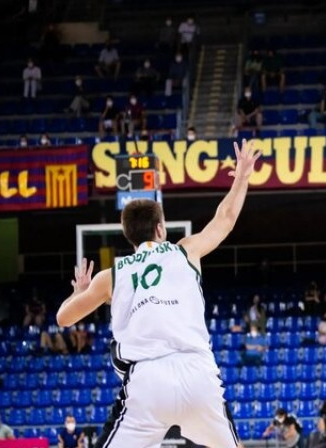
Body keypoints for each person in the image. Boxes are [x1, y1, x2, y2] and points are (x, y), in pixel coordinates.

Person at [53, 139, 260, 448]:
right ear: (161, 230)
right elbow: (225, 219)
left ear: (128, 236)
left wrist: (79, 292)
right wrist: (242, 177)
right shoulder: (185, 251)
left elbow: (63, 318)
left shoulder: (112, 276)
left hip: (147, 380)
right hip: (196, 371)